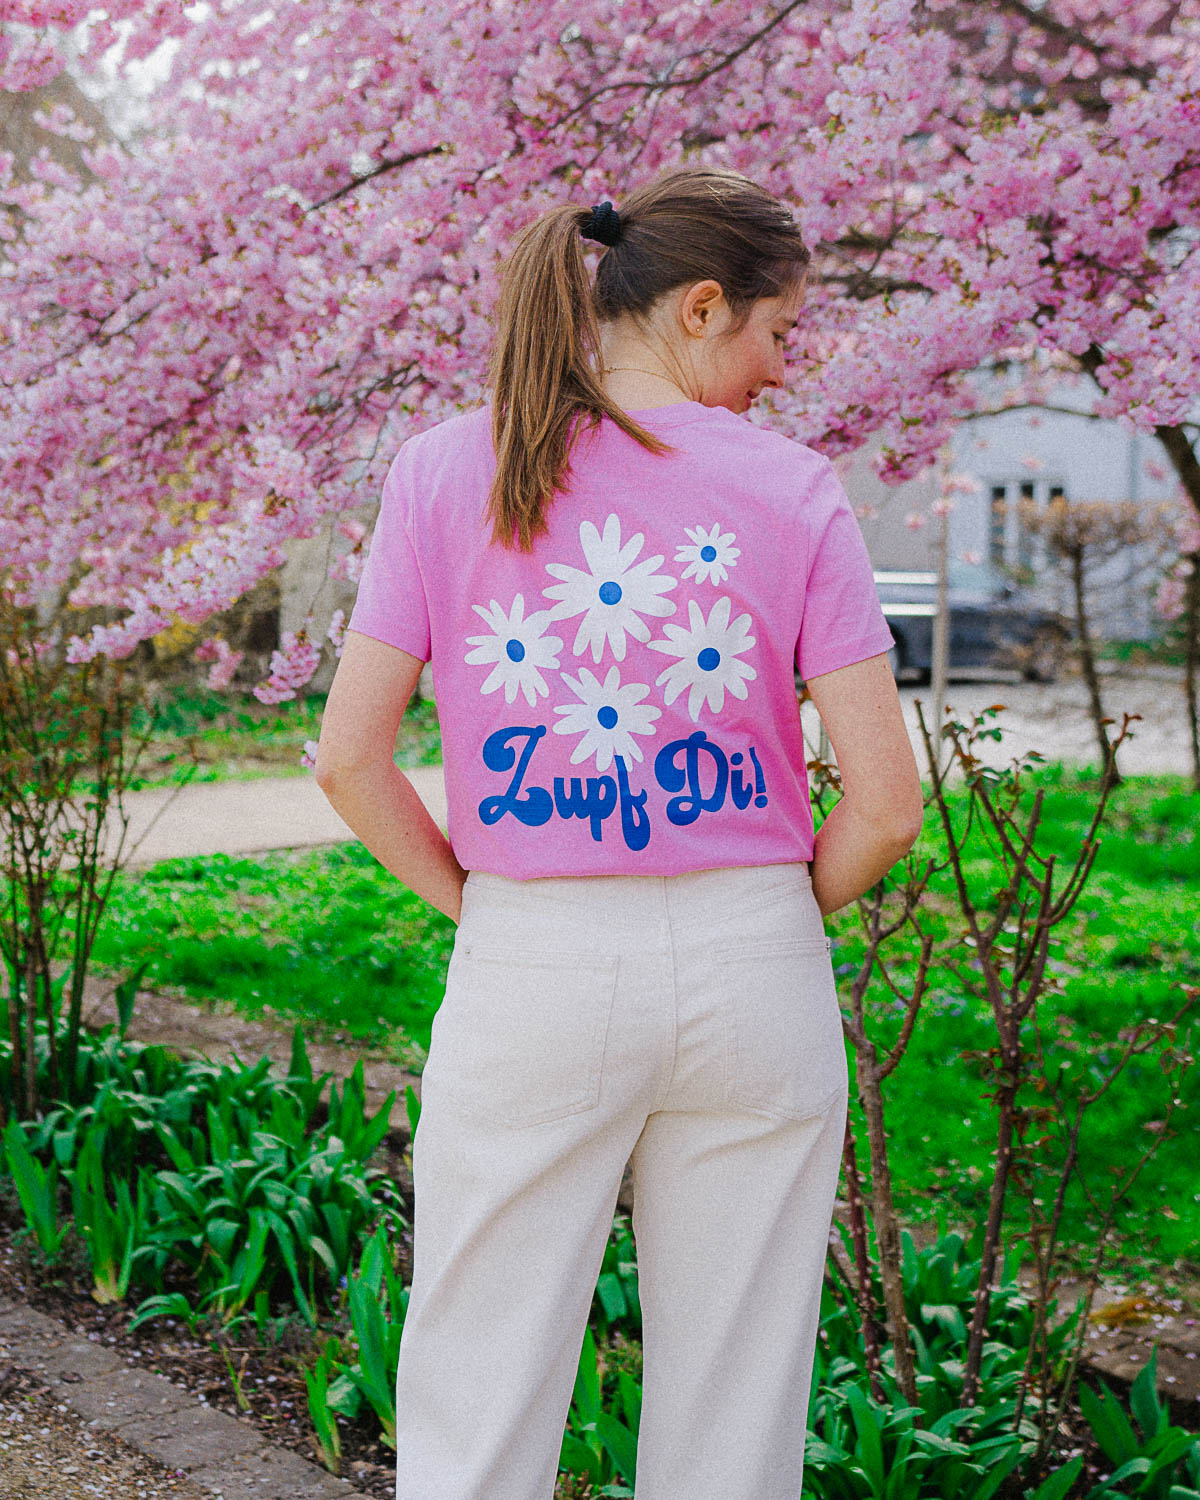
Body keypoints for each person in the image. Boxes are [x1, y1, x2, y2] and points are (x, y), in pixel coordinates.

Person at [314, 165, 924, 1500]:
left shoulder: (446, 468)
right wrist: (760, 914)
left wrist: (486, 909)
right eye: (778, 334)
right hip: (757, 961)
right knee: (736, 1401)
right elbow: (885, 803)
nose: (779, 371)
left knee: (480, 1379)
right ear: (702, 307)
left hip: (536, 959)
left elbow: (349, 756)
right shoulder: (794, 488)